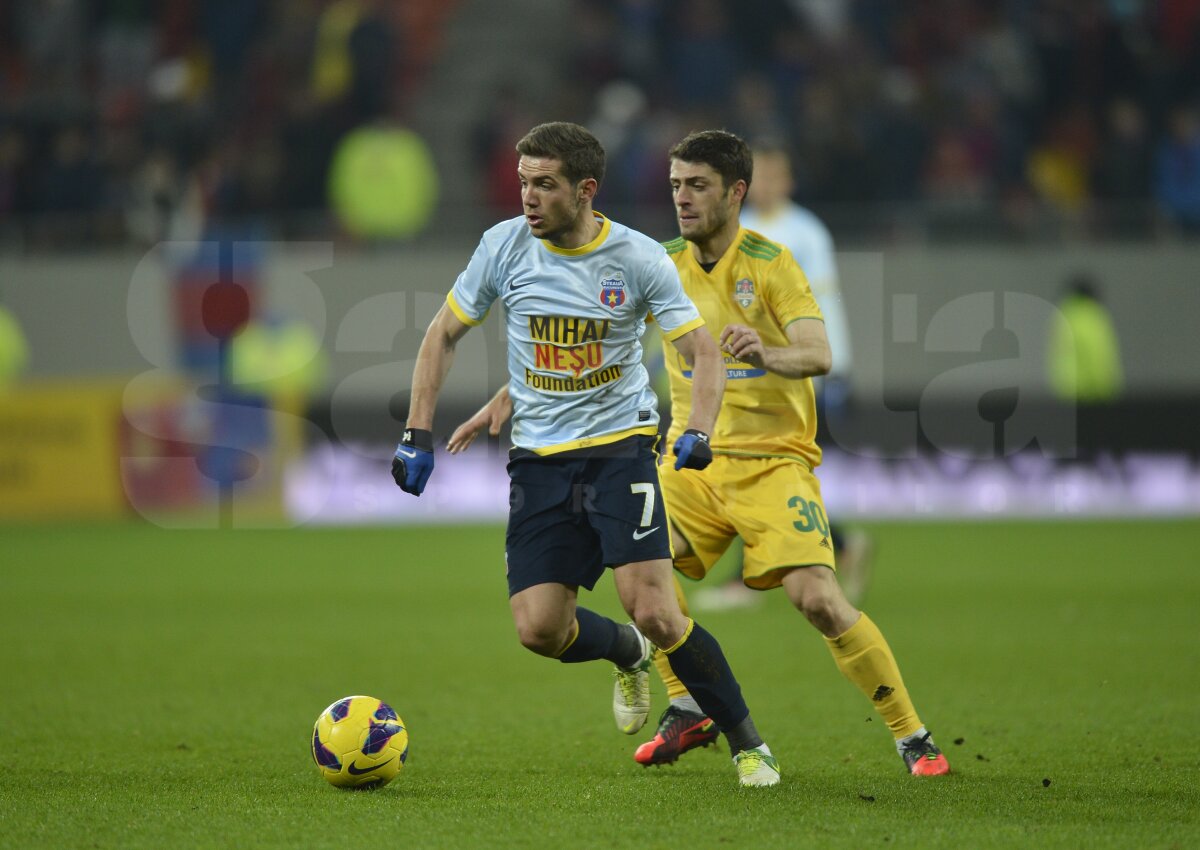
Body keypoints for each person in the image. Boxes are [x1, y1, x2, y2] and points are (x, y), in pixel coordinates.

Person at [450, 130, 949, 778]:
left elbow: (819, 354)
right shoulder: (656, 261)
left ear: (735, 192)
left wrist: (767, 353)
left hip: (772, 461)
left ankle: (913, 736)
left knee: (819, 601)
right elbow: (584, 344)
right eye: (676, 185)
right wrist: (512, 393)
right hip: (691, 462)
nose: (682, 198)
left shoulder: (773, 261)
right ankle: (688, 706)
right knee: (645, 587)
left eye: (698, 186)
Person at [394, 122, 780, 787]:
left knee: (656, 608)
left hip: (618, 452)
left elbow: (704, 351)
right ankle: (627, 654)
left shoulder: (634, 259)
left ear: (585, 190)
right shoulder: (503, 247)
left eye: (544, 185)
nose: (528, 198)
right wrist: (415, 431)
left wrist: (701, 430)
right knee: (539, 629)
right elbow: (444, 331)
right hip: (539, 462)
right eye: (523, 183)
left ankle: (749, 742)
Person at [715, 139, 872, 609]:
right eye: (755, 176)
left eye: (771, 175)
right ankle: (841, 545)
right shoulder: (741, 229)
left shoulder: (806, 233)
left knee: (764, 465)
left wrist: (831, 366)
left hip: (798, 375)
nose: (762, 185)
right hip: (751, 373)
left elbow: (820, 307)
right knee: (762, 466)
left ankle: (748, 578)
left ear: (788, 181)